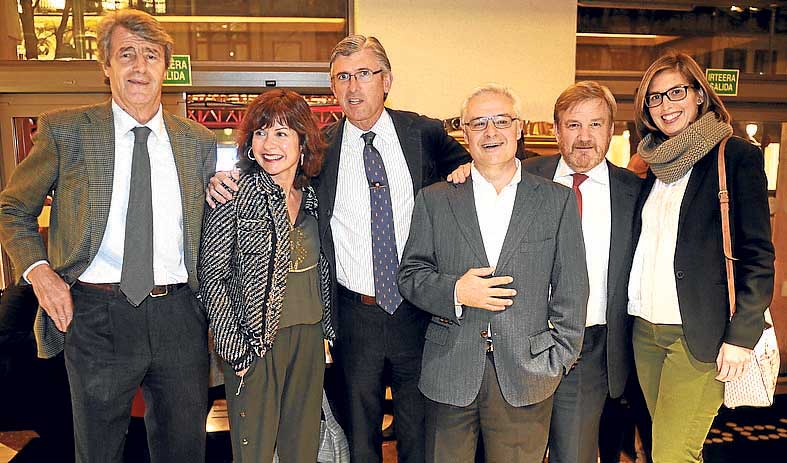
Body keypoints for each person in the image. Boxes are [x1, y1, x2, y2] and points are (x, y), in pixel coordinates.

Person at [207, 35, 470, 462]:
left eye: (364, 74)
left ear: (386, 80)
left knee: (420, 436)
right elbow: (273, 167)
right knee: (358, 438)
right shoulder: (321, 148)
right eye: (342, 77)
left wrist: (465, 171)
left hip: (418, 314)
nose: (353, 87)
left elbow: (485, 163)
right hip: (353, 317)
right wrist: (223, 180)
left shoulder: (423, 133)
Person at [0, 9, 217, 462]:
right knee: (97, 451)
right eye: (126, 54)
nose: (140, 66)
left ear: (165, 66)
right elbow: (12, 208)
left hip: (180, 315)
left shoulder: (197, 141)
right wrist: (41, 274)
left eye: (150, 55)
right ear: (106, 66)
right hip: (97, 316)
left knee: (185, 450)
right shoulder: (67, 131)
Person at [397, 84, 588, 462]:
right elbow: (410, 275)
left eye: (501, 121)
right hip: (449, 371)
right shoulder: (435, 199)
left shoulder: (556, 200)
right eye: (478, 123)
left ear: (518, 128)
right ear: (463, 134)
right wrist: (455, 291)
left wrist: (558, 359)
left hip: (528, 374)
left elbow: (572, 288)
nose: (490, 132)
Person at [628, 51, 774, 462]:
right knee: (665, 450)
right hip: (644, 332)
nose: (665, 105)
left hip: (699, 335)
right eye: (654, 98)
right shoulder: (649, 166)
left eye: (676, 92)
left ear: (698, 95)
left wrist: (741, 336)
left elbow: (758, 256)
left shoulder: (735, 157)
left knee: (673, 454)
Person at [199, 89, 334, 462]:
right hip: (255, 344)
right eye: (260, 133)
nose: (268, 144)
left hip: (309, 339)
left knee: (301, 447)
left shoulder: (312, 197)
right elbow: (212, 278)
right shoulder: (234, 194)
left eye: (281, 133)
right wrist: (235, 351)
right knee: (254, 451)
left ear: (302, 141)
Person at [521, 81, 641, 463]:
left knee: (572, 453)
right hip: (519, 343)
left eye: (595, 124)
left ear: (610, 130)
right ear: (556, 131)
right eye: (573, 125)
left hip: (589, 347)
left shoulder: (635, 193)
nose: (584, 137)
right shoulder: (520, 178)